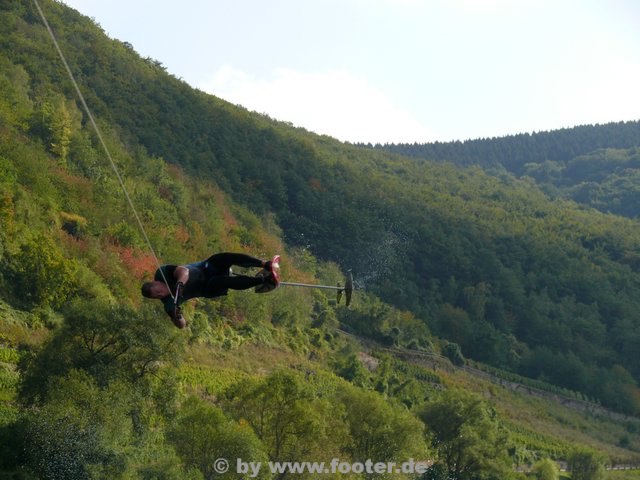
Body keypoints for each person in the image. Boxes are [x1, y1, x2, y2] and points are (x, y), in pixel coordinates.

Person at [141, 252, 280, 328]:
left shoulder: (162, 273)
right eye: (157, 296)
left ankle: (265, 264)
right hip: (208, 288)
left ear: (157, 282)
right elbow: (182, 325)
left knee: (221, 258)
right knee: (218, 281)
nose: (160, 294)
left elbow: (183, 272)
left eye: (158, 290)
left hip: (205, 268)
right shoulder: (169, 304)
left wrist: (179, 285)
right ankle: (264, 280)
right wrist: (177, 316)